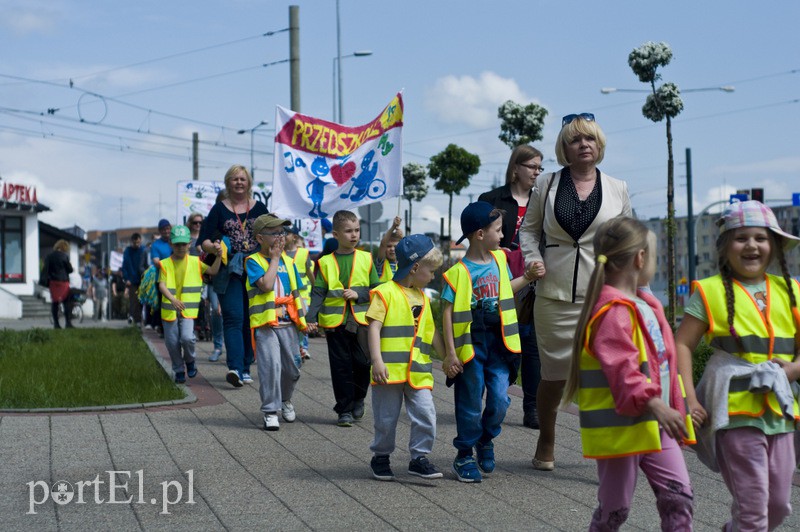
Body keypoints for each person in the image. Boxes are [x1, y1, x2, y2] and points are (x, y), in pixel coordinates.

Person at [563, 217, 695, 531]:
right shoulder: (613, 312)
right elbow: (624, 370)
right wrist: (659, 405)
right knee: (614, 511)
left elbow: (663, 365)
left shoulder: (646, 304)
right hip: (622, 431)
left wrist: (679, 406)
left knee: (680, 499)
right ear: (640, 259)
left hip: (655, 424)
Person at [675, 200, 800, 531]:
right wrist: (689, 396)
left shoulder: (792, 291)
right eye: (741, 237)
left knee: (778, 506)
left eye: (760, 237)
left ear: (773, 246)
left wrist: (793, 370)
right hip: (732, 412)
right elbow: (682, 345)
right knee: (753, 508)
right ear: (725, 247)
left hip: (782, 411)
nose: (752, 245)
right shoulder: (710, 291)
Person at [519, 112, 632, 471]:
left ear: (599, 145)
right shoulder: (547, 184)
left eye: (590, 139)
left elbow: (629, 241)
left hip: (603, 294)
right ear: (563, 147)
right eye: (575, 139)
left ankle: (604, 449)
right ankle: (547, 436)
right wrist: (533, 260)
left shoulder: (618, 187)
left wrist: (637, 290)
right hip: (553, 293)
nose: (583, 145)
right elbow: (528, 231)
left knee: (604, 374)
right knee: (554, 376)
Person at [442, 202, 543, 483]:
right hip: (472, 344)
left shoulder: (500, 261)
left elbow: (505, 291)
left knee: (499, 399)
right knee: (470, 401)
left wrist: (528, 277)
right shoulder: (457, 273)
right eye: (498, 230)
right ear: (479, 234)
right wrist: (450, 354)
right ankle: (464, 454)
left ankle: (485, 439)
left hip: (500, 341)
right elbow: (447, 315)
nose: (502, 236)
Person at [367, 234, 447, 481]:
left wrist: (446, 359)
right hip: (388, 371)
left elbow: (431, 332)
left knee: (426, 414)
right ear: (415, 267)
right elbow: (373, 327)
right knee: (386, 419)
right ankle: (381, 456)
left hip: (418, 371)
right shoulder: (384, 293)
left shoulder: (422, 296)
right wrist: (377, 361)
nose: (433, 276)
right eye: (431, 271)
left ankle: (419, 458)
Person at [480, 144, 545, 429]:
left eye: (540, 168)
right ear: (516, 167)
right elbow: (477, 237)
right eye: (532, 166)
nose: (537, 172)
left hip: (533, 281)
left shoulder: (543, 200)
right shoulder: (491, 199)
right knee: (501, 342)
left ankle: (532, 408)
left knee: (532, 346)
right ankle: (492, 396)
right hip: (499, 281)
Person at [307, 209, 380, 427]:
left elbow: (377, 289)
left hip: (360, 321)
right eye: (348, 231)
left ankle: (359, 398)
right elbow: (318, 291)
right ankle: (344, 409)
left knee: (362, 363)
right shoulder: (326, 262)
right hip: (335, 323)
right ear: (336, 235)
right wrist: (311, 317)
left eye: (356, 230)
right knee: (340, 367)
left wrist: (359, 295)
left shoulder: (366, 258)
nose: (354, 235)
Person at [199, 164, 269, 387]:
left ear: (249, 182)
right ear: (227, 183)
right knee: (233, 317)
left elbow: (271, 234)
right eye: (234, 179)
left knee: (250, 320)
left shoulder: (260, 209)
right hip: (229, 271)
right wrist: (215, 247)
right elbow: (204, 241)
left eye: (243, 179)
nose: (239, 182)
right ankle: (235, 368)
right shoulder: (219, 209)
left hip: (256, 269)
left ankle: (247, 365)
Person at [245, 214, 311, 431]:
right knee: (270, 367)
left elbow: (296, 293)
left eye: (283, 232)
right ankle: (270, 410)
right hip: (267, 325)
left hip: (289, 325)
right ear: (260, 238)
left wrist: (305, 320)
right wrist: (274, 258)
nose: (281, 237)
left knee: (293, 370)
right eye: (275, 233)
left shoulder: (290, 263)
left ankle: (285, 400)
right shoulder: (253, 261)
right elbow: (265, 285)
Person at [158, 225, 222, 383]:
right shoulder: (165, 264)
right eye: (177, 244)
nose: (180, 247)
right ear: (171, 244)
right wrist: (172, 299)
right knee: (172, 343)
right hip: (170, 310)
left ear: (189, 244)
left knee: (187, 338)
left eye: (183, 244)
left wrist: (219, 256)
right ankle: (179, 370)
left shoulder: (196, 262)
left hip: (188, 310)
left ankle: (190, 361)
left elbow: (213, 271)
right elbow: (161, 285)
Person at [284, 224, 314, 361]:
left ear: (294, 237)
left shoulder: (303, 253)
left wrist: (317, 290)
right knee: (290, 323)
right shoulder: (279, 253)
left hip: (303, 295)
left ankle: (302, 346)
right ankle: (297, 347)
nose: (283, 235)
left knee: (302, 321)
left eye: (286, 233)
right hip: (286, 296)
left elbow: (309, 273)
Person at [42, 239, 74, 329]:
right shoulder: (64, 256)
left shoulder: (49, 256)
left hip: (53, 282)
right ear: (64, 247)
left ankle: (56, 324)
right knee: (66, 302)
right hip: (63, 282)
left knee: (55, 303)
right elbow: (70, 270)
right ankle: (68, 323)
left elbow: (46, 270)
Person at [148, 219, 173, 333]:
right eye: (163, 229)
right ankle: (163, 329)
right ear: (160, 231)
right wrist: (172, 264)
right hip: (162, 279)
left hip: (178, 277)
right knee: (163, 304)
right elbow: (156, 262)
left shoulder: (176, 241)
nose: (166, 231)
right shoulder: (156, 245)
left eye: (168, 228)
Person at [121, 233, 147, 325]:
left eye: (138, 242)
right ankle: (133, 317)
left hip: (142, 279)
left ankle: (138, 320)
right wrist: (126, 278)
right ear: (132, 241)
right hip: (131, 280)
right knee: (133, 299)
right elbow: (124, 266)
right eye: (135, 242)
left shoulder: (143, 250)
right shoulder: (127, 251)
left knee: (141, 300)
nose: (136, 244)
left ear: (140, 241)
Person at [376, 216, 403, 283]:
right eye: (389, 246)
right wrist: (393, 227)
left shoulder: (403, 264)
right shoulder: (381, 263)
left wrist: (402, 238)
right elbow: (383, 244)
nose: (392, 249)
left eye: (395, 246)